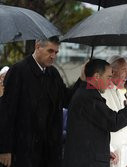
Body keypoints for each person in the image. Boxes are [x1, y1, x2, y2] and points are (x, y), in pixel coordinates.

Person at [0, 36, 83, 167]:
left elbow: (66, 100)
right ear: (38, 47)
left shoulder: (53, 74)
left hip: (49, 150)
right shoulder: (18, 71)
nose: (53, 56)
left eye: (56, 52)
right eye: (50, 51)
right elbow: (6, 112)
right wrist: (5, 149)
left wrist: (82, 80)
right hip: (23, 149)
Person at [63, 59, 127, 167]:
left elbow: (92, 131)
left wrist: (104, 152)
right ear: (97, 76)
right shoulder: (89, 97)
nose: (110, 81)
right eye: (108, 77)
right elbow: (113, 122)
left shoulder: (87, 94)